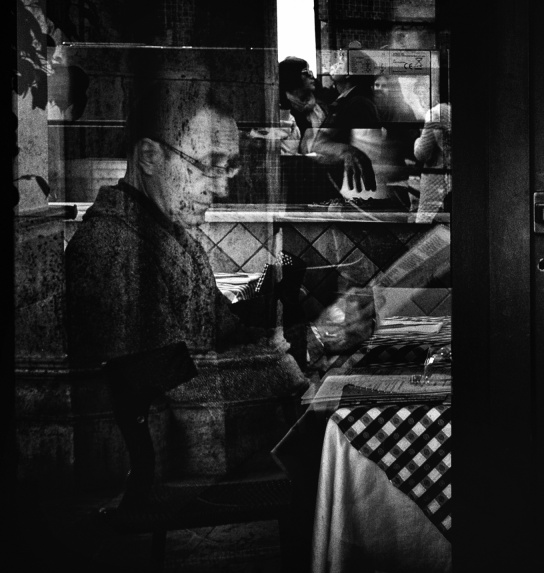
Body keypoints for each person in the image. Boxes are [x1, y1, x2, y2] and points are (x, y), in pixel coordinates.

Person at [64, 78, 375, 478]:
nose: (223, 187)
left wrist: (316, 332)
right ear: (149, 157)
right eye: (209, 165)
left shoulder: (168, 236)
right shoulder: (116, 249)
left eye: (228, 166)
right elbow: (180, 393)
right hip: (176, 481)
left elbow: (228, 332)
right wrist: (308, 347)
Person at [278, 56, 376, 201]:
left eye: (311, 71)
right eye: (306, 72)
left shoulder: (323, 105)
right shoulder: (284, 113)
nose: (312, 75)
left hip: (329, 179)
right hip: (299, 182)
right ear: (292, 77)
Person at [413, 101, 451, 222]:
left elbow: (422, 153)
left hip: (436, 183)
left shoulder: (437, 113)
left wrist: (417, 141)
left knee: (426, 225)